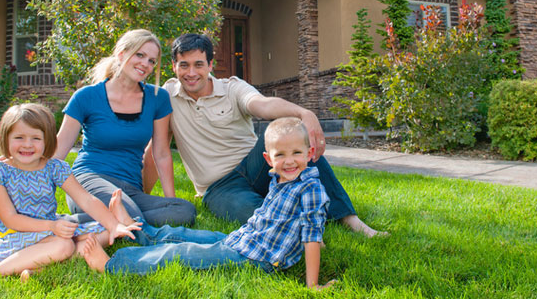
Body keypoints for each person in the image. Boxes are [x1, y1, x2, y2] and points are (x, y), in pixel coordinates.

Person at [145, 33, 384, 237]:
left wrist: (303, 113)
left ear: (210, 65)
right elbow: (158, 151)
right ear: (174, 67)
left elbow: (264, 105)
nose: (191, 72)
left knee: (296, 136)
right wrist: (162, 201)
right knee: (253, 215)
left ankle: (349, 219)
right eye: (183, 65)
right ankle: (296, 221)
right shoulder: (167, 96)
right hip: (219, 188)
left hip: (257, 165)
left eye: (198, 64)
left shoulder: (232, 87)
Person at [81, 118, 335, 289]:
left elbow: (311, 238)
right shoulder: (280, 177)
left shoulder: (310, 190)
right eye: (281, 155)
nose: (289, 161)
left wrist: (312, 286)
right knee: (184, 235)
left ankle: (113, 265)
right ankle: (139, 230)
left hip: (258, 258)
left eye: (297, 153)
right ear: (268, 159)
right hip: (246, 239)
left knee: (184, 253)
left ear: (310, 154)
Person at [0, 103, 141, 286]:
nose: (27, 144)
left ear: (47, 140)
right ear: (5, 138)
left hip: (50, 231)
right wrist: (52, 226)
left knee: (104, 232)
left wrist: (113, 226)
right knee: (65, 245)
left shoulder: (54, 168)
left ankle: (37, 269)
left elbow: (86, 200)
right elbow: (10, 219)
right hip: (12, 235)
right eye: (19, 137)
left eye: (36, 138)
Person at [55, 29, 196, 227]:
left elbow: (162, 153)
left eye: (151, 61)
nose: (145, 64)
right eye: (140, 55)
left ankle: (81, 223)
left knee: (184, 211)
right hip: (89, 180)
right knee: (127, 211)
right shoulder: (86, 96)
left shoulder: (158, 98)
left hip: (131, 188)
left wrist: (170, 200)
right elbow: (58, 152)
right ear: (121, 54)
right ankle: (117, 220)